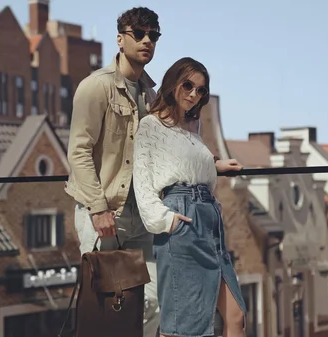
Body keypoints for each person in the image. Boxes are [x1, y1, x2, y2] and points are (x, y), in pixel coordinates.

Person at [65, 7, 162, 337]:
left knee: (154, 300)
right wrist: (98, 208)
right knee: (104, 304)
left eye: (153, 35)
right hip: (106, 214)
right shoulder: (96, 86)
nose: (147, 40)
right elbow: (78, 151)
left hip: (142, 217)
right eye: (139, 34)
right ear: (120, 39)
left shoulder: (151, 95)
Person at [133, 57, 247, 337]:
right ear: (173, 84)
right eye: (188, 86)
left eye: (201, 90)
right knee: (185, 326)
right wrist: (167, 221)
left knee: (235, 315)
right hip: (181, 218)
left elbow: (190, 165)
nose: (194, 95)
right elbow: (143, 183)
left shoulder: (195, 129)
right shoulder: (151, 126)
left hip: (209, 221)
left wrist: (215, 165)